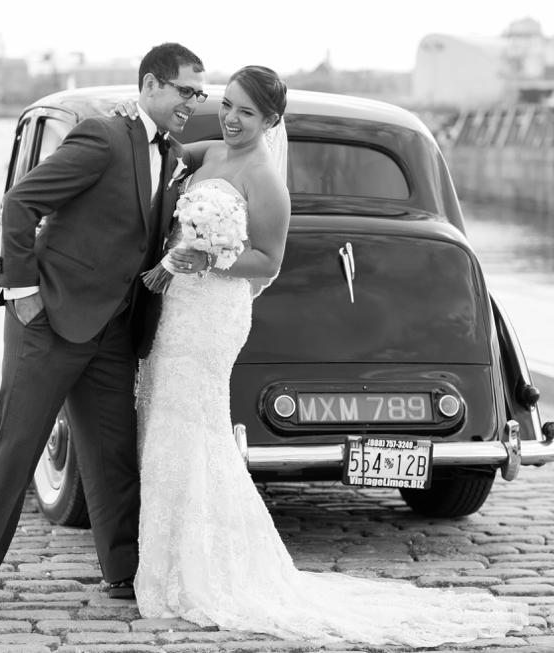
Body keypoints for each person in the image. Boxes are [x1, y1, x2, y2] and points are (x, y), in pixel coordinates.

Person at [121, 66, 531, 647]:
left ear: (270, 122)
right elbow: (154, 151)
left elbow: (267, 262)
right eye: (229, 105)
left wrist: (207, 260)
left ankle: (207, 570)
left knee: (194, 428)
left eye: (247, 112)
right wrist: (134, 116)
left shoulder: (266, 178)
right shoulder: (211, 152)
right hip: (181, 306)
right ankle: (167, 564)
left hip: (213, 311)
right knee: (164, 421)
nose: (233, 119)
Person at [0, 42, 207, 623]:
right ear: (151, 86)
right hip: (53, 324)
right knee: (16, 451)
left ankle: (122, 573)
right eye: (187, 89)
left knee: (112, 455)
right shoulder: (102, 137)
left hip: (115, 330)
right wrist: (24, 292)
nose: (195, 100)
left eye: (200, 91)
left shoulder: (179, 154)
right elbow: (21, 203)